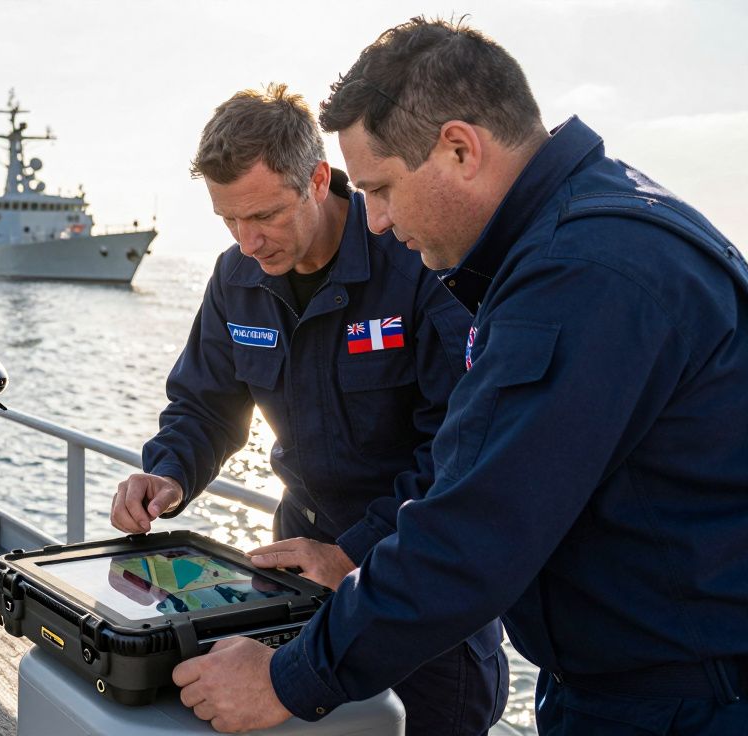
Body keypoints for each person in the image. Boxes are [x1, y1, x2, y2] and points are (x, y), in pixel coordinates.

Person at [171, 18, 748, 736]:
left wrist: (288, 677)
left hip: (684, 701)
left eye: (380, 189)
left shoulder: (584, 276)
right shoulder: (578, 239)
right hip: (616, 682)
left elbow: (475, 524)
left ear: (458, 149)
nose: (375, 222)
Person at [109, 84, 507, 734]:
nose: (247, 241)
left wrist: (351, 555)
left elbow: (461, 450)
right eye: (229, 220)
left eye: (264, 215)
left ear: (318, 179)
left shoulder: (416, 263)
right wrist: (169, 472)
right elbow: (205, 406)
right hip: (292, 584)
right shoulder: (235, 279)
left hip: (416, 587)